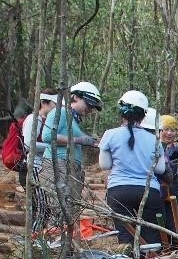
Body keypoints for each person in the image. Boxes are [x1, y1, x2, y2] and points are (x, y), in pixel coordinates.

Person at [98, 90, 168, 245]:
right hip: (149, 191)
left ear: (121, 113)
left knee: (125, 237)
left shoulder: (110, 134)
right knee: (152, 237)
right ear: (143, 115)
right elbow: (160, 170)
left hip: (119, 191)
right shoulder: (155, 140)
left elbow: (105, 165)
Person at [40, 81, 103, 226]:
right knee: (59, 209)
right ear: (75, 97)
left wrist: (92, 142)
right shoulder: (60, 112)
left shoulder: (73, 119)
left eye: (92, 107)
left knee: (70, 212)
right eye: (88, 104)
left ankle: (65, 246)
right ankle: (54, 245)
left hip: (72, 169)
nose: (90, 109)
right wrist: (79, 139)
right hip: (58, 166)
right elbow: (48, 136)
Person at [21, 90, 59, 181]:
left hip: (42, 166)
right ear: (43, 103)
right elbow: (28, 145)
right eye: (54, 103)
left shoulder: (47, 120)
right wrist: (52, 147)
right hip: (33, 167)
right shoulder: (35, 119)